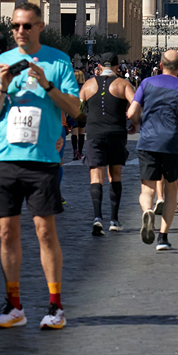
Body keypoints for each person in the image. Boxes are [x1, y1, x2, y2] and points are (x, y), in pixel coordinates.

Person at [0, 3, 81, 330]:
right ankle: (14, 305)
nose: (20, 31)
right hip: (5, 158)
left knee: (45, 232)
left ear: (40, 26)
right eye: (15, 26)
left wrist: (46, 84)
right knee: (7, 233)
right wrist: (2, 86)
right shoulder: (2, 63)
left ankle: (55, 306)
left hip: (41, 160)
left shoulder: (59, 61)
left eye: (26, 26)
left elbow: (76, 109)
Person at [128, 49, 178, 252]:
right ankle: (163, 237)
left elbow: (132, 111)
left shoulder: (146, 83)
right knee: (171, 190)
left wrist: (138, 123)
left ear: (160, 65)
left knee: (147, 189)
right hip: (172, 142)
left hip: (148, 141)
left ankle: (147, 211)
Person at [79, 52, 134, 235]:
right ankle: (114, 219)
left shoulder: (88, 85)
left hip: (94, 133)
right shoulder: (123, 84)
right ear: (118, 67)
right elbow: (135, 106)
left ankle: (97, 218)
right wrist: (135, 122)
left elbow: (78, 109)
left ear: (100, 66)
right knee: (115, 175)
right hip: (116, 134)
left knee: (96, 177)